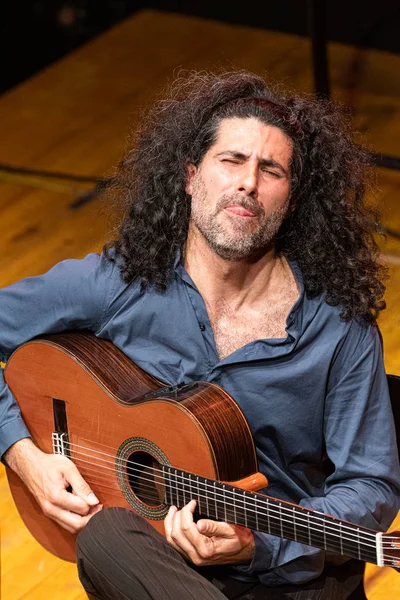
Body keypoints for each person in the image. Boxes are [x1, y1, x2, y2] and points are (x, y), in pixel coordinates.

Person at [1, 69, 399, 600]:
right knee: (105, 537)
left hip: (289, 577)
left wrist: (258, 541)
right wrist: (24, 455)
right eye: (230, 161)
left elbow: (370, 486)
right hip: (157, 569)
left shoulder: (339, 327)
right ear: (190, 177)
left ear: (293, 199)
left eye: (271, 169)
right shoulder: (119, 283)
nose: (248, 183)